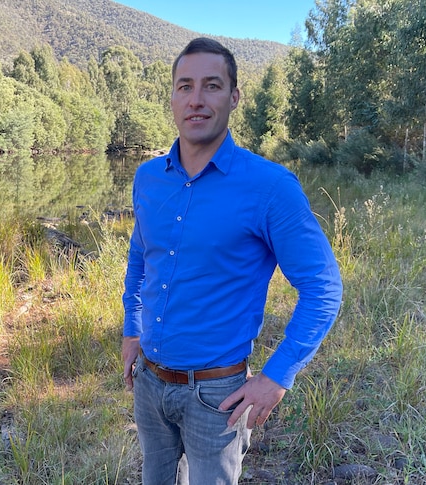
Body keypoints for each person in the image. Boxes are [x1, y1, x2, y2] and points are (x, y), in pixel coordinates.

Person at [121, 38, 343, 484]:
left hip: (217, 395)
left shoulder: (270, 187)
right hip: (148, 381)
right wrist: (132, 328)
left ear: (234, 97)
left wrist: (277, 376)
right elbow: (141, 257)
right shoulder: (148, 178)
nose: (196, 99)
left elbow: (323, 288)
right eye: (185, 86)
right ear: (171, 97)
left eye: (212, 86)